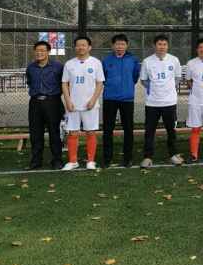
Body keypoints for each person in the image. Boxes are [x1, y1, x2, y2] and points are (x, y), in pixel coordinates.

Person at [139, 34, 184, 167]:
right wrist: (154, 89)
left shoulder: (174, 60)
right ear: (154, 46)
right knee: (149, 131)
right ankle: (148, 157)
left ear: (168, 46)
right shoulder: (147, 61)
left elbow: (178, 78)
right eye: (159, 44)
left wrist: (167, 88)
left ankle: (173, 155)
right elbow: (143, 80)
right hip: (152, 102)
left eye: (164, 44)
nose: (162, 47)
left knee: (171, 130)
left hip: (169, 102)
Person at [61, 36, 105, 171]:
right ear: (75, 47)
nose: (81, 47)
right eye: (78, 45)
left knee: (90, 133)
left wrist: (93, 100)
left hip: (90, 106)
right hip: (73, 106)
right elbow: (64, 83)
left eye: (84, 45)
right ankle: (72, 161)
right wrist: (68, 101)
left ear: (89, 47)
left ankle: (90, 161)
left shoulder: (96, 63)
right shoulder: (69, 64)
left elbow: (100, 83)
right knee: (72, 133)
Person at [101, 33, 140, 168]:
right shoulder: (106, 60)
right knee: (108, 129)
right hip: (109, 98)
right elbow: (103, 78)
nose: (120, 47)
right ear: (113, 46)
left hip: (127, 99)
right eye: (117, 44)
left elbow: (135, 76)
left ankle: (128, 158)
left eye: (122, 44)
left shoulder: (133, 60)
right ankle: (107, 158)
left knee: (128, 129)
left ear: (127, 45)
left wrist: (126, 87)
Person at [24, 40, 65, 170]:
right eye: (37, 50)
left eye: (42, 50)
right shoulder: (31, 68)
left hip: (52, 102)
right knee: (35, 133)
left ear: (48, 52)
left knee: (54, 133)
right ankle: (36, 161)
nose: (39, 53)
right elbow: (30, 82)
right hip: (35, 103)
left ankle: (57, 161)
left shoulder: (58, 67)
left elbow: (64, 84)